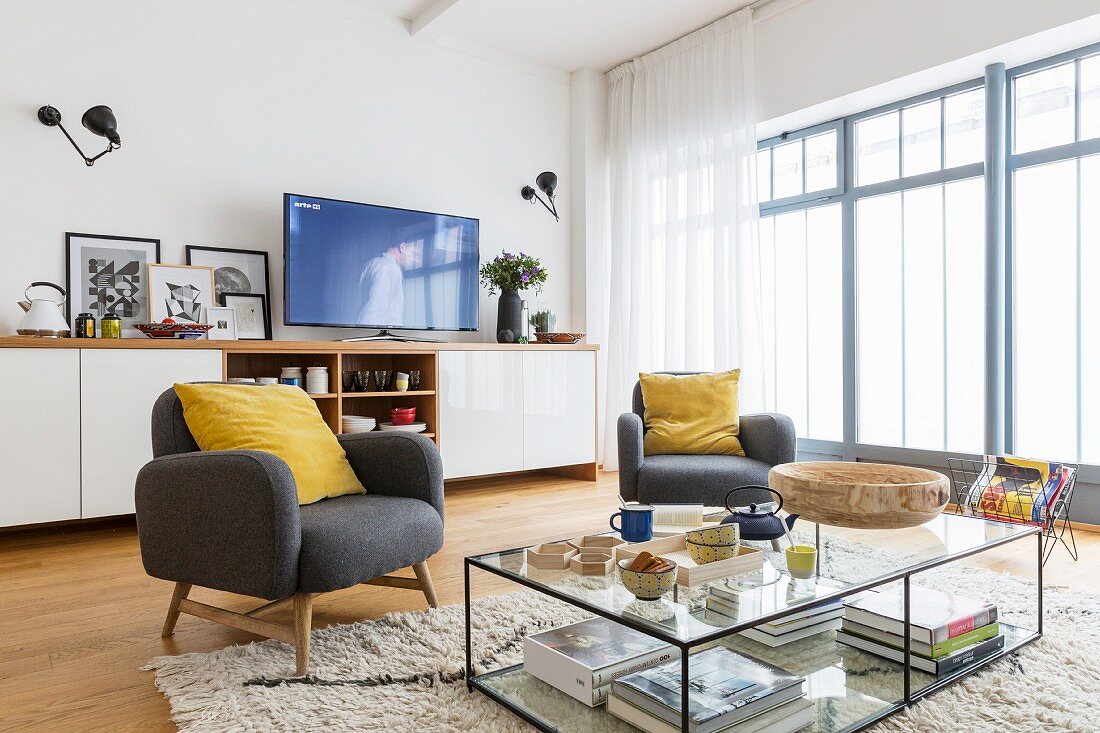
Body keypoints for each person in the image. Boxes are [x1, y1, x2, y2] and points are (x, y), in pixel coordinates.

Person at [357, 241, 412, 325]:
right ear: (402, 247)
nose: (414, 258)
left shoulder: (374, 264)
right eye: (414, 253)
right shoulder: (388, 267)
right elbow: (376, 308)